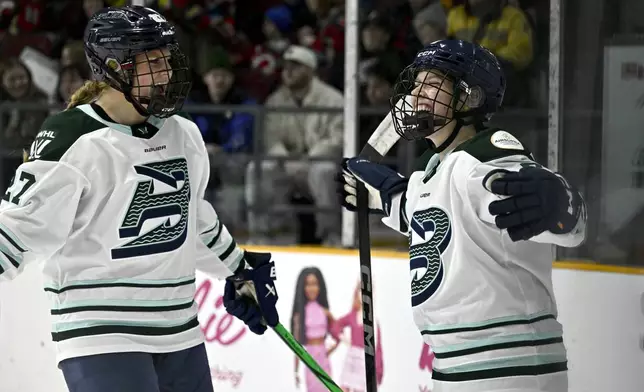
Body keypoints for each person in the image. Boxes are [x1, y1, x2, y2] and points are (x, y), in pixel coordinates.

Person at [0, 6, 279, 392]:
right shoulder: (71, 137)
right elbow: (18, 230)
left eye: (168, 60)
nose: (166, 73)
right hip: (101, 334)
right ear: (115, 67)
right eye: (154, 62)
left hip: (180, 332)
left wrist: (239, 268)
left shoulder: (183, 133)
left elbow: (192, 221)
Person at [337, 39, 587, 392]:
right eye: (416, 84)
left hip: (510, 368)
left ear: (469, 97)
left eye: (432, 85)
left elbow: (561, 221)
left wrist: (561, 205)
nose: (416, 94)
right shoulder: (432, 171)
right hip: (453, 367)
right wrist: (385, 196)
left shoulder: (486, 158)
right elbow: (426, 217)